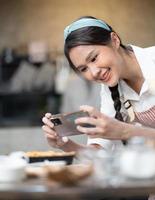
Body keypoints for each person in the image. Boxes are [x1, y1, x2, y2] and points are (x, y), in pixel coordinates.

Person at [42, 16, 155, 152]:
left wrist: (126, 131)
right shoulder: (111, 88)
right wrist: (65, 145)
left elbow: (125, 132)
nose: (94, 72)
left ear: (115, 40)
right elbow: (99, 152)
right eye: (84, 69)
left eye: (94, 58)